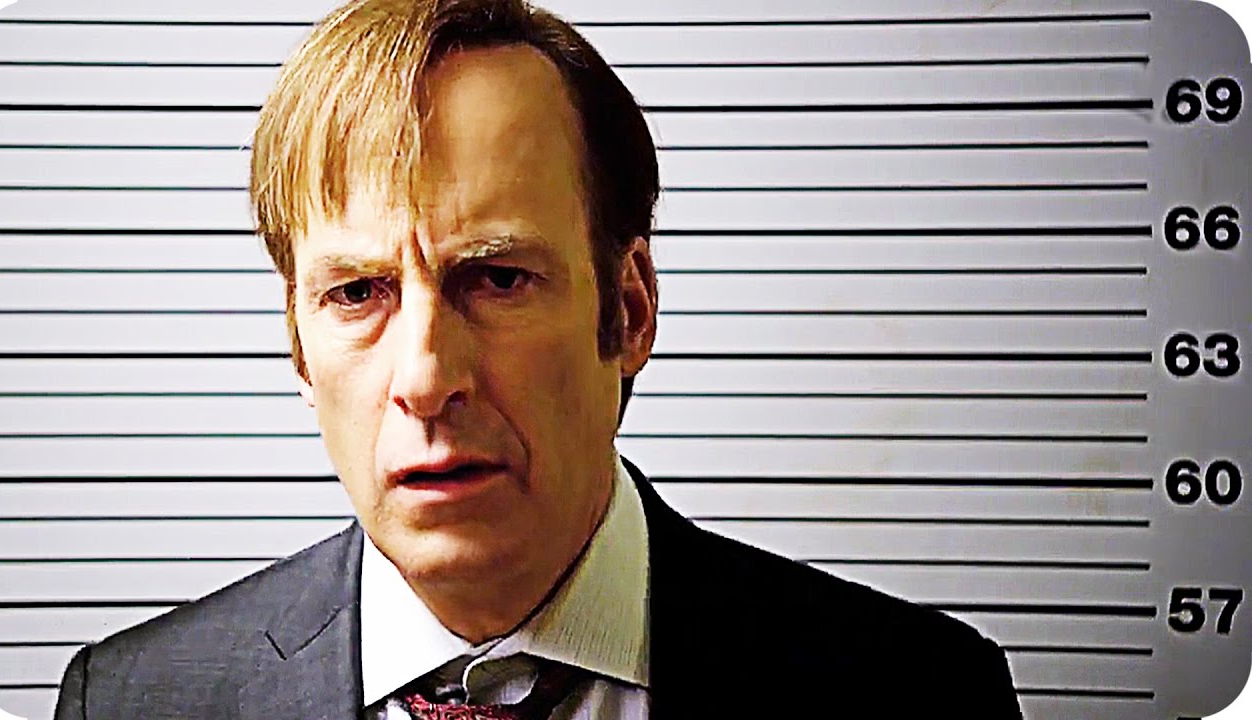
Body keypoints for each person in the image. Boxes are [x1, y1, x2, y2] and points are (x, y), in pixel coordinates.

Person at [53, 0, 1022, 717]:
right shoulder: (130, 702)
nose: (425, 380)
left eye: (497, 278)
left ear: (628, 311)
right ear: (298, 348)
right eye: (357, 293)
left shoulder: (919, 693)